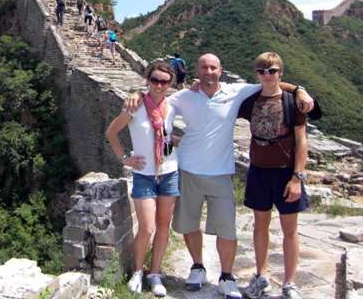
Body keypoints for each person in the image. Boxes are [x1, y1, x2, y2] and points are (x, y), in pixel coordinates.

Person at [125, 54, 314, 299]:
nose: (209, 71)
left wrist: (300, 90)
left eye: (213, 67)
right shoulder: (185, 96)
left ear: (220, 70)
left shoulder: (236, 92)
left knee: (227, 230)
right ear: (197, 70)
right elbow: (156, 97)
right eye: (204, 67)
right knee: (189, 224)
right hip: (189, 170)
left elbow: (271, 84)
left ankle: (226, 276)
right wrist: (136, 94)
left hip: (222, 172)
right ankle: (198, 266)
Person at [106, 62, 180, 297]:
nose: (160, 85)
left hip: (169, 172)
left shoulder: (173, 105)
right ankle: (138, 271)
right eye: (155, 80)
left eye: (165, 81)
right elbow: (111, 132)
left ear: (171, 84)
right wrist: (125, 159)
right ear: (147, 80)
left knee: (163, 227)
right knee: (147, 228)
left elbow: (167, 134)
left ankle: (155, 273)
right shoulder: (135, 106)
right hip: (143, 175)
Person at [239, 53, 309, 299]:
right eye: (262, 71)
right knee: (260, 227)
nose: (267, 75)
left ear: (280, 72)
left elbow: (301, 142)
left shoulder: (293, 102)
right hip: (259, 171)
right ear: (256, 74)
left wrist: (297, 178)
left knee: (290, 230)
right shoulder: (250, 99)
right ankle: (262, 275)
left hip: (285, 173)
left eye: (272, 70)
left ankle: (289, 284)